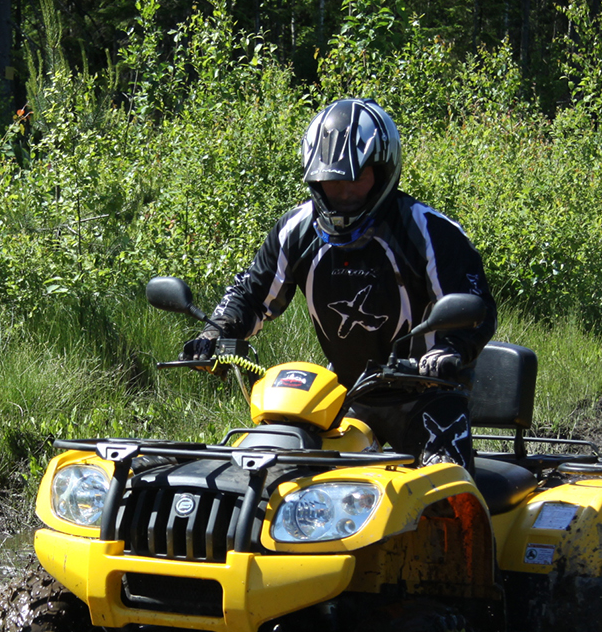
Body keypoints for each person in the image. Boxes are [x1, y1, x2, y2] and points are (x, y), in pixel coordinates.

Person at [183, 98, 495, 467]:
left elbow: (474, 306)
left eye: (355, 179)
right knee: (276, 475)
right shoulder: (295, 230)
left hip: (429, 397)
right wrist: (213, 335)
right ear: (314, 178)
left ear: (383, 172)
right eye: (333, 181)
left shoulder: (428, 231)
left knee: (449, 494)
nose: (344, 193)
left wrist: (451, 349)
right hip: (343, 395)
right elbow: (252, 295)